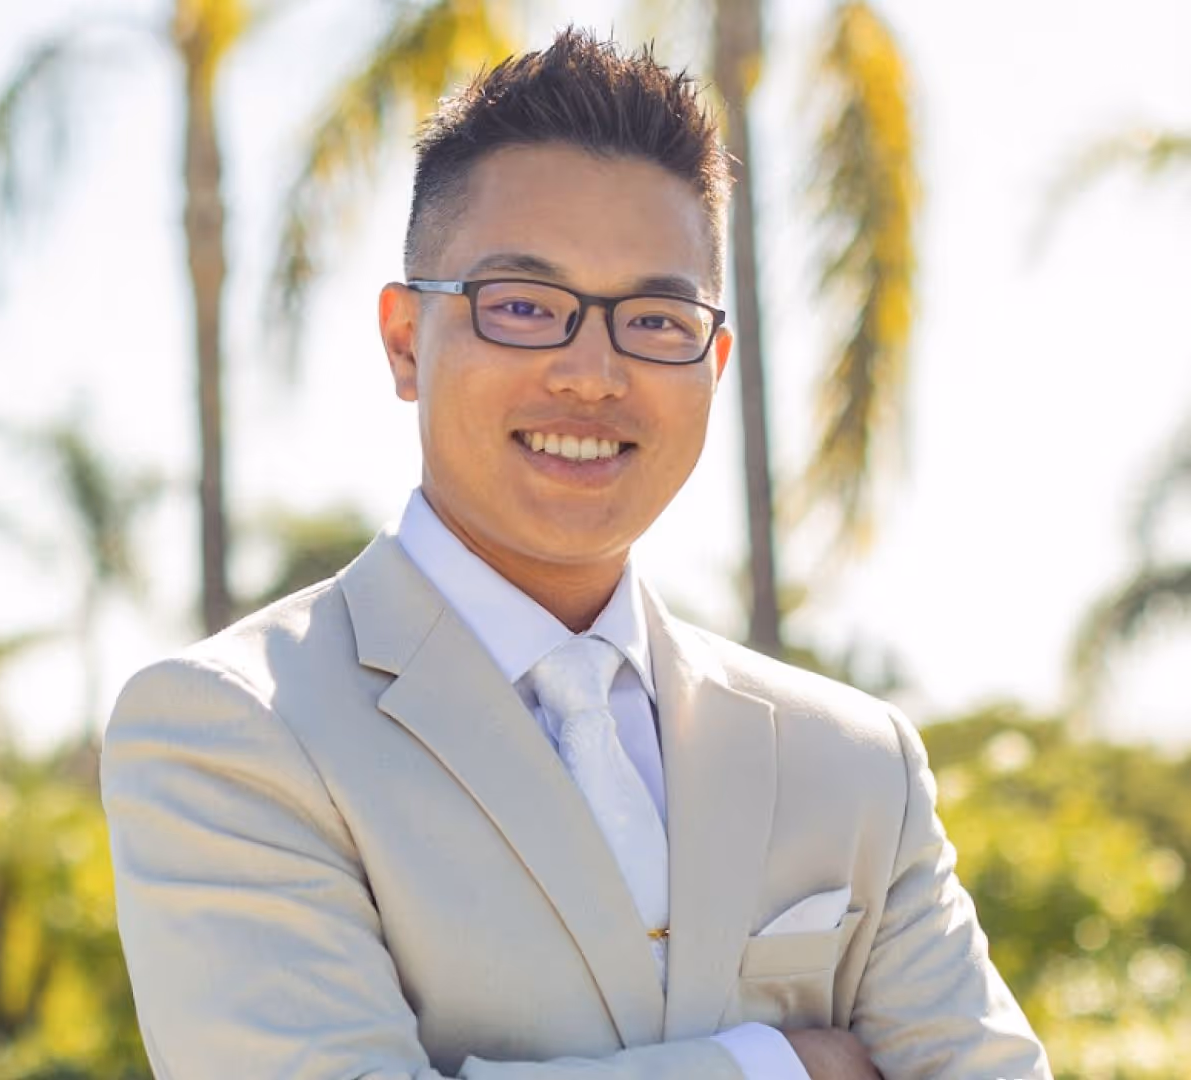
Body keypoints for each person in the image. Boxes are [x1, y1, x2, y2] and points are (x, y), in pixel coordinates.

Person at [102, 29, 1052, 1080]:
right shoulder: (232, 729)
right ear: (406, 340)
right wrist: (777, 1066)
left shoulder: (855, 761)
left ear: (713, 360)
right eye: (522, 306)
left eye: (654, 317)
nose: (592, 374)